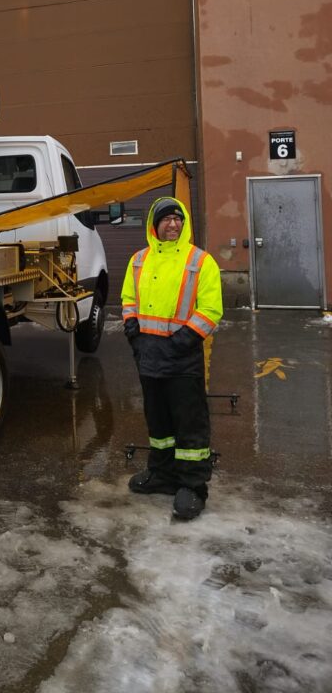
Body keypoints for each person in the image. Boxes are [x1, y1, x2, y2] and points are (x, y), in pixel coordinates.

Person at [121, 197, 223, 520]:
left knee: (189, 424)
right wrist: (132, 331)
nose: (173, 224)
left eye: (178, 219)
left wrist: (184, 339)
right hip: (149, 358)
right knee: (159, 422)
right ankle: (163, 475)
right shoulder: (139, 260)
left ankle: (193, 486)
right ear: (155, 224)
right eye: (166, 219)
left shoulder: (200, 261)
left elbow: (210, 309)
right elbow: (127, 299)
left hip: (182, 358)